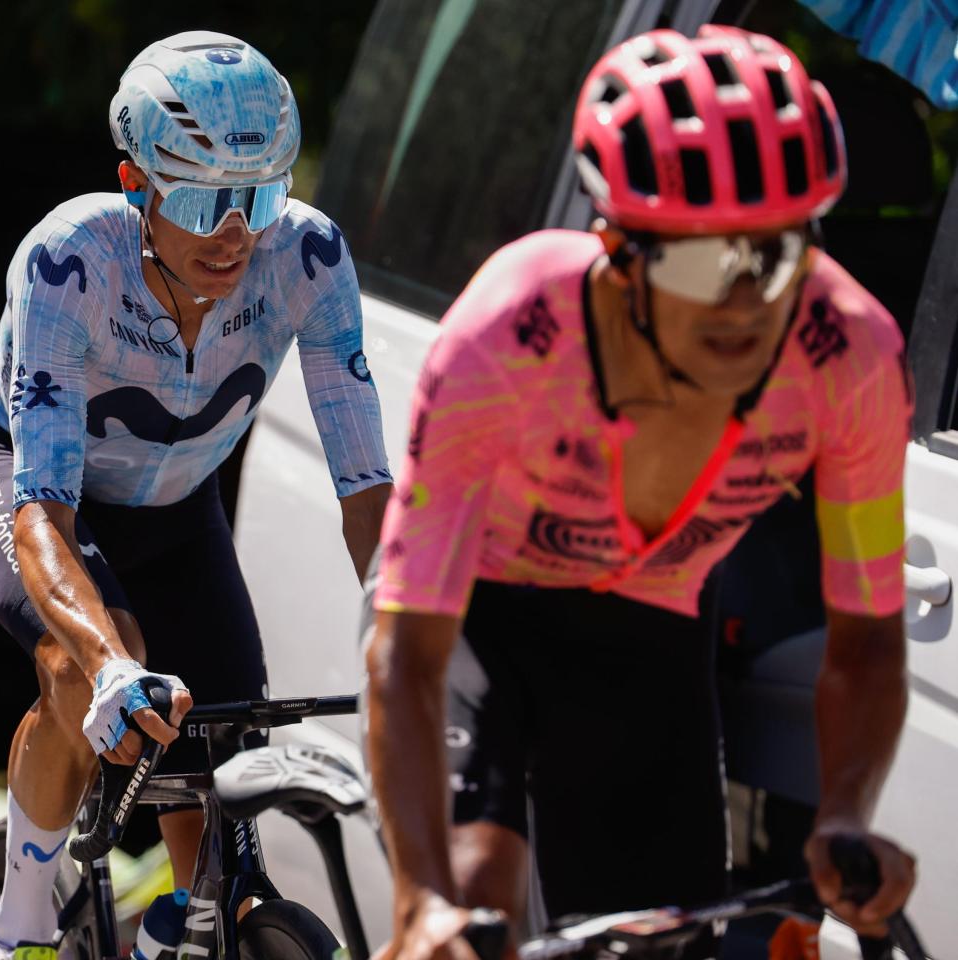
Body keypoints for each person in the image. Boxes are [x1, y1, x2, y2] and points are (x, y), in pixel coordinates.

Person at [363, 26, 916, 959]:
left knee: (668, 944)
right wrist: (422, 899)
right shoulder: (507, 336)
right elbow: (408, 655)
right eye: (705, 264)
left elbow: (865, 644)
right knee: (473, 904)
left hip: (645, 624)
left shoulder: (851, 357)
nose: (745, 303)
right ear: (618, 250)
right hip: (474, 617)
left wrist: (846, 814)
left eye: (776, 258)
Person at [0, 31, 392, 960]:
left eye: (260, 197)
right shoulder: (71, 259)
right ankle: (18, 923)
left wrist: (407, 640)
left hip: (178, 507)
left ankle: (177, 934)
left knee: (223, 760)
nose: (235, 233)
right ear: (136, 182)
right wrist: (109, 664)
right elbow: (44, 513)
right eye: (200, 199)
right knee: (91, 667)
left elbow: (366, 490)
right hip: (27, 484)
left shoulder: (308, 258)